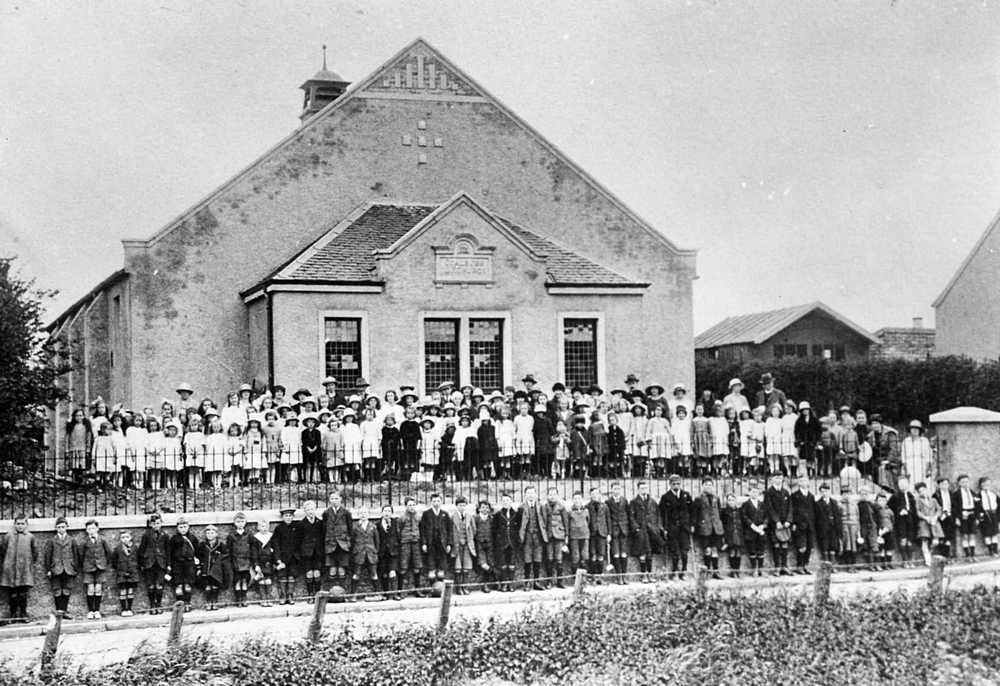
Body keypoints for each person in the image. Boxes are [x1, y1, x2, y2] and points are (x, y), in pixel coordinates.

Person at [1, 514, 37, 621]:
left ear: (26, 525)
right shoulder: (8, 536)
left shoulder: (30, 537)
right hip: (10, 570)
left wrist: (28, 564)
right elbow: (3, 551)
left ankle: (23, 613)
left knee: (23, 592)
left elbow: (35, 552)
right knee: (12, 593)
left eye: (22, 524)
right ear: (14, 524)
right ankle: (12, 614)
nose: (20, 526)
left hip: (24, 570)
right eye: (18, 524)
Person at [43, 516, 78, 617]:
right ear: (56, 528)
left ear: (67, 527)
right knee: (57, 589)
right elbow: (47, 556)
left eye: (63, 527)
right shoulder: (52, 541)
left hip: (69, 568)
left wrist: (75, 567)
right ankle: (59, 611)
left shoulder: (72, 540)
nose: (61, 529)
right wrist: (48, 569)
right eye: (59, 527)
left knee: (67, 589)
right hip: (56, 569)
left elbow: (76, 555)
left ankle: (65, 610)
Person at [630, 481, 663, 583]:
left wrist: (657, 528)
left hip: (651, 531)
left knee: (650, 553)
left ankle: (650, 573)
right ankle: (643, 574)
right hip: (641, 531)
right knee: (642, 553)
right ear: (638, 489)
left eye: (645, 488)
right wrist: (636, 528)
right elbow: (631, 517)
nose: (644, 490)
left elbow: (658, 515)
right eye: (642, 488)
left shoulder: (652, 501)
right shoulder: (634, 502)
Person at [660, 474, 693, 579]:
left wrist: (691, 525)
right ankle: (674, 571)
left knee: (684, 551)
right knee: (675, 552)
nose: (676, 486)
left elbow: (692, 512)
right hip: (672, 528)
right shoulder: (665, 497)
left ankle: (684, 571)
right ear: (670, 484)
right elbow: (662, 514)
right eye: (673, 484)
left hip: (684, 528)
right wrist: (664, 528)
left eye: (678, 483)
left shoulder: (686, 495)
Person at [79, 519, 112, 619]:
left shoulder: (102, 540)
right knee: (90, 589)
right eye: (89, 529)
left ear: (97, 529)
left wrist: (104, 564)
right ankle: (90, 611)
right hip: (88, 568)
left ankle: (97, 610)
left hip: (100, 567)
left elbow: (108, 553)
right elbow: (81, 555)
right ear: (86, 530)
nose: (91, 530)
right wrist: (84, 565)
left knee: (98, 589)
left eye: (93, 528)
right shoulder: (84, 541)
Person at [692, 479, 724, 580]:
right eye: (706, 485)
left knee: (715, 550)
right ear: (702, 486)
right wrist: (694, 526)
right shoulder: (698, 499)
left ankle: (715, 571)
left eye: (710, 485)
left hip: (716, 528)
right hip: (705, 528)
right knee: (707, 550)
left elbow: (719, 512)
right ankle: (707, 571)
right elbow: (695, 514)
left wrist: (719, 524)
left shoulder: (716, 498)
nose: (708, 487)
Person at [518, 487, 549, 590]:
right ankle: (527, 583)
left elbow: (545, 520)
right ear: (525, 495)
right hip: (527, 537)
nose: (530, 495)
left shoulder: (541, 507)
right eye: (528, 493)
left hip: (538, 537)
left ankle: (537, 582)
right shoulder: (521, 507)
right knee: (527, 560)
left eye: (532, 493)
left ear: (536, 494)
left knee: (537, 559)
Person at [138, 513, 169, 614]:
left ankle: (159, 605)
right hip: (149, 563)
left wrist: (168, 564)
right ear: (151, 524)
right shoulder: (146, 535)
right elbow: (142, 549)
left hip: (161, 563)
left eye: (158, 523)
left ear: (161, 524)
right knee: (150, 585)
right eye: (154, 523)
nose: (156, 525)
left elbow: (168, 551)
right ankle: (152, 605)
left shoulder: (165, 535)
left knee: (159, 585)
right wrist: (142, 563)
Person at [167, 517, 200, 612]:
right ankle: (180, 604)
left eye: (185, 526)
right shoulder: (174, 539)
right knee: (179, 585)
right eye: (181, 527)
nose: (183, 529)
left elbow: (197, 552)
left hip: (189, 564)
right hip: (177, 564)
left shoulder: (192, 538)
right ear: (177, 528)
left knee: (188, 585)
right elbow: (170, 552)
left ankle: (188, 603)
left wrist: (197, 563)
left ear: (188, 527)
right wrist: (169, 564)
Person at [322, 492, 352, 593]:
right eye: (332, 499)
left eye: (336, 498)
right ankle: (332, 592)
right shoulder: (326, 513)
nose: (334, 501)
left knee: (342, 569)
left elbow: (350, 529)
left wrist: (347, 542)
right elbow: (324, 530)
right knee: (332, 569)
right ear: (329, 500)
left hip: (343, 545)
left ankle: (342, 592)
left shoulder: (346, 513)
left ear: (341, 499)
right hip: (330, 544)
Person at [421, 493, 452, 587]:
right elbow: (423, 530)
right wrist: (424, 543)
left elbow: (449, 530)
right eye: (434, 501)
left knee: (441, 570)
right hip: (431, 545)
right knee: (431, 570)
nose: (436, 503)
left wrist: (449, 544)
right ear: (431, 502)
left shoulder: (445, 514)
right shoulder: (426, 514)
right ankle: (432, 589)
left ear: (441, 502)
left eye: (438, 501)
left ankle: (440, 590)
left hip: (442, 545)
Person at [296, 500, 325, 598]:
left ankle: (317, 594)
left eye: (312, 509)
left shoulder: (320, 523)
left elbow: (322, 537)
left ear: (315, 510)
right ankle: (310, 594)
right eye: (308, 510)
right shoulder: (301, 524)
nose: (310, 511)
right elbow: (298, 540)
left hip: (318, 552)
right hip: (306, 553)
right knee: (309, 573)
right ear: (305, 511)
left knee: (317, 572)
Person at [764, 475, 792, 575]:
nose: (778, 480)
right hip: (774, 524)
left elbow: (790, 508)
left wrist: (788, 520)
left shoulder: (786, 492)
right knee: (776, 544)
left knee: (785, 544)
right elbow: (769, 508)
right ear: (772, 480)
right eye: (776, 478)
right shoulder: (768, 493)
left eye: (780, 478)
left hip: (785, 524)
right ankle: (777, 567)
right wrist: (776, 521)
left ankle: (784, 566)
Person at [492, 492, 520, 592]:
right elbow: (494, 530)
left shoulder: (516, 514)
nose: (506, 503)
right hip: (501, 543)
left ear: (511, 502)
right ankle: (504, 584)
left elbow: (519, 528)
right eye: (504, 501)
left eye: (507, 501)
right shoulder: (498, 515)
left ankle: (511, 584)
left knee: (512, 564)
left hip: (512, 542)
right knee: (503, 564)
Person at [349, 508, 379, 599]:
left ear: (368, 515)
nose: (363, 515)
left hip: (371, 554)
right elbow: (352, 541)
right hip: (359, 554)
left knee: (374, 573)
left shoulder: (373, 526)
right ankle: (352, 595)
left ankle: (377, 593)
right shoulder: (354, 527)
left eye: (365, 513)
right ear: (358, 515)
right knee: (356, 574)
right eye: (361, 513)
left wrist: (375, 551)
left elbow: (377, 542)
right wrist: (355, 552)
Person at [197, 524, 228, 611]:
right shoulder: (202, 545)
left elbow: (225, 556)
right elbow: (198, 556)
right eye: (208, 533)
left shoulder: (220, 545)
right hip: (205, 568)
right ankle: (208, 602)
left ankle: (214, 602)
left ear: (216, 534)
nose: (210, 535)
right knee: (207, 586)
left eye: (212, 533)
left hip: (216, 570)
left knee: (215, 586)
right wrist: (199, 566)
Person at [889, 477, 919, 567]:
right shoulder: (895, 496)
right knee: (903, 540)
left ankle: (910, 560)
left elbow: (914, 508)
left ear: (908, 485)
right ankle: (905, 561)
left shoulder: (910, 495)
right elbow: (890, 508)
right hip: (900, 521)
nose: (902, 486)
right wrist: (899, 511)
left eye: (904, 484)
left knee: (910, 540)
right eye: (900, 484)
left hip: (910, 520)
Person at [544, 488, 570, 588]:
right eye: (550, 495)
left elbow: (566, 522)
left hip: (559, 535)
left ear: (557, 496)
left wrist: (566, 535)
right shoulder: (545, 506)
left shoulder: (561, 507)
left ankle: (560, 581)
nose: (552, 497)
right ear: (547, 496)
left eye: (554, 494)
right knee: (549, 558)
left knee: (559, 559)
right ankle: (549, 581)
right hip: (549, 536)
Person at [229, 512, 257, 607]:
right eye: (238, 521)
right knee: (237, 580)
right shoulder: (232, 535)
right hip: (236, 561)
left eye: (242, 521)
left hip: (246, 561)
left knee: (245, 580)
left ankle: (244, 598)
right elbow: (229, 549)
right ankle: (238, 599)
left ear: (245, 522)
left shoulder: (248, 535)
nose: (240, 523)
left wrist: (253, 561)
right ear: (234, 523)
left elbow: (253, 547)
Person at [397, 497, 423, 597]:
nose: (411, 507)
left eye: (413, 505)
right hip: (405, 544)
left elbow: (421, 528)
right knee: (403, 567)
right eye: (409, 505)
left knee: (417, 567)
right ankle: (400, 591)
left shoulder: (418, 517)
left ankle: (417, 590)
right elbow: (399, 531)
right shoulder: (402, 518)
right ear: (406, 506)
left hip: (416, 543)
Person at [790, 478, 817, 574]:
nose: (803, 483)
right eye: (801, 481)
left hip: (810, 525)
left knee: (810, 547)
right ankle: (799, 566)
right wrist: (793, 523)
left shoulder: (811, 496)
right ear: (798, 483)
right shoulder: (794, 496)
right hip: (799, 525)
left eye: (805, 481)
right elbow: (792, 510)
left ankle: (806, 565)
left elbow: (813, 510)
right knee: (801, 547)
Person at [741, 483, 768, 577]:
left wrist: (763, 525)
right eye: (753, 491)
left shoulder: (762, 504)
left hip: (761, 531)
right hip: (750, 531)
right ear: (749, 493)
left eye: (757, 492)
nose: (755, 493)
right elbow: (744, 517)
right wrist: (752, 526)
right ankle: (754, 569)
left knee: (761, 550)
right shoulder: (746, 504)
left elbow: (766, 517)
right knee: (752, 550)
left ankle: (760, 569)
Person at [451, 497, 477, 594]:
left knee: (466, 567)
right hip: (456, 545)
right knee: (458, 568)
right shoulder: (452, 517)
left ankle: (465, 587)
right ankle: (458, 588)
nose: (462, 507)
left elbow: (474, 530)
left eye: (463, 505)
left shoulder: (470, 517)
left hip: (467, 545)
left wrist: (468, 540)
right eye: (460, 505)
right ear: (456, 506)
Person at [605, 483, 630, 582]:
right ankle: (618, 576)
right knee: (616, 553)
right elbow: (608, 518)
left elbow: (628, 514)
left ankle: (624, 575)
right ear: (611, 490)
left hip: (623, 530)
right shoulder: (608, 502)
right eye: (615, 489)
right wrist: (609, 533)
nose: (617, 491)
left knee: (624, 553)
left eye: (618, 489)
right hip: (614, 530)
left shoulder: (624, 500)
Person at [272, 508, 298, 604]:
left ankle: (290, 595)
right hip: (282, 557)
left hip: (293, 557)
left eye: (290, 516)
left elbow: (299, 542)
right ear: (282, 517)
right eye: (286, 516)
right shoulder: (279, 529)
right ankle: (283, 595)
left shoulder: (296, 527)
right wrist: (278, 559)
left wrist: (298, 555)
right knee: (282, 576)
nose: (288, 517)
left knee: (292, 576)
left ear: (292, 517)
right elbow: (276, 544)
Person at [112, 530, 140, 617]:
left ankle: (130, 608)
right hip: (122, 572)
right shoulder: (117, 549)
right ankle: (124, 609)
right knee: (123, 590)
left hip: (132, 572)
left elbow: (138, 559)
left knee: (130, 590)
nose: (125, 539)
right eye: (123, 537)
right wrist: (120, 568)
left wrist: (134, 567)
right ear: (120, 539)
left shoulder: (135, 548)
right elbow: (114, 561)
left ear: (131, 538)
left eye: (127, 537)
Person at [376, 505, 401, 600]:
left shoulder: (395, 523)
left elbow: (399, 536)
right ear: (382, 513)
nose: (387, 513)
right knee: (384, 574)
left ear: (392, 513)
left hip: (393, 552)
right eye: (385, 511)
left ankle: (394, 594)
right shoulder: (377, 525)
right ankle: (386, 594)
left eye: (389, 511)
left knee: (393, 572)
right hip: (382, 553)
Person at [915, 481, 944, 566]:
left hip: (934, 522)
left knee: (936, 541)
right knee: (925, 541)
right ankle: (927, 559)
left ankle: (930, 553)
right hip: (924, 523)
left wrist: (935, 517)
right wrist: (925, 517)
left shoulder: (933, 500)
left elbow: (939, 509)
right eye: (920, 491)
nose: (923, 492)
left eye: (924, 490)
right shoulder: (918, 501)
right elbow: (918, 512)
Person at [586, 487, 611, 582]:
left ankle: (600, 576)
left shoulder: (604, 507)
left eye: (596, 494)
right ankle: (593, 577)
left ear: (600, 495)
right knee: (593, 555)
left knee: (601, 555)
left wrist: (609, 534)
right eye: (593, 494)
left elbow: (608, 520)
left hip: (602, 533)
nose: (595, 496)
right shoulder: (587, 507)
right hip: (592, 534)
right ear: (590, 496)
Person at [953, 474, 979, 560]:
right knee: (964, 535)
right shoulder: (956, 494)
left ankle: (972, 554)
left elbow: (978, 505)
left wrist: (977, 517)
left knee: (972, 534)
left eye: (967, 482)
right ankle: (967, 555)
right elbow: (955, 507)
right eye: (963, 482)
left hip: (972, 515)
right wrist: (957, 517)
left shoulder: (972, 493)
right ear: (959, 483)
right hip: (963, 516)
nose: (965, 484)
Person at [814, 483, 842, 563]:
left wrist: (838, 527)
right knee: (824, 545)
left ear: (829, 491)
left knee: (833, 545)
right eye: (822, 492)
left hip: (833, 527)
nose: (824, 493)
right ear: (820, 493)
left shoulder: (834, 502)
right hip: (823, 528)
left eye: (826, 491)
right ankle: (826, 563)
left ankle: (833, 563)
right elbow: (817, 517)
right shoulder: (818, 503)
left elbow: (837, 516)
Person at [254, 517, 278, 607]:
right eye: (262, 526)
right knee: (261, 580)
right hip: (260, 562)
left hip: (269, 562)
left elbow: (275, 548)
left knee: (268, 580)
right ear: (258, 527)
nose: (264, 528)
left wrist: (275, 561)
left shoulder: (271, 536)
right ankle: (263, 598)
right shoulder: (256, 538)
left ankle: (269, 598)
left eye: (266, 526)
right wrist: (256, 564)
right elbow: (254, 552)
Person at [794, 402, 821, 478]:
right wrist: (799, 440)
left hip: (812, 441)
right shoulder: (799, 420)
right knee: (804, 457)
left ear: (809, 410)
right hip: (803, 441)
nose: (805, 411)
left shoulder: (814, 419)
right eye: (803, 410)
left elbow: (819, 430)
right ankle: (807, 472)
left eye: (806, 410)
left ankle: (813, 472)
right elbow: (796, 431)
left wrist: (816, 440)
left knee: (812, 457)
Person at [473, 500, 495, 593]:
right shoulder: (476, 519)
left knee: (491, 563)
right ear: (478, 509)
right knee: (483, 565)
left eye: (486, 507)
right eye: (482, 507)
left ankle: (490, 583)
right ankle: (484, 584)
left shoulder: (491, 519)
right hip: (479, 545)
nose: (484, 509)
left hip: (490, 545)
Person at [720, 492, 744, 577]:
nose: (731, 502)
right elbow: (722, 523)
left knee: (738, 552)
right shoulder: (724, 511)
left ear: (735, 501)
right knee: (732, 552)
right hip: (729, 534)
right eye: (729, 500)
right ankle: (733, 571)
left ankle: (738, 570)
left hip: (738, 533)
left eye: (732, 500)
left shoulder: (739, 511)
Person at [858, 487, 880, 571]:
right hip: (863, 526)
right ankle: (870, 565)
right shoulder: (859, 505)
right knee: (866, 545)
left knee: (874, 545)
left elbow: (877, 516)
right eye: (862, 494)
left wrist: (877, 526)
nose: (864, 496)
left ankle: (877, 564)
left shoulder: (872, 505)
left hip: (873, 526)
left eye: (866, 494)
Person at [934, 477, 955, 559]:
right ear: (939, 485)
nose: (945, 486)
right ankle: (942, 554)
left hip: (950, 516)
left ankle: (948, 554)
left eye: (946, 484)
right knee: (942, 536)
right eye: (942, 484)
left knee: (949, 536)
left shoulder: (951, 494)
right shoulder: (936, 495)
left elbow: (954, 505)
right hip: (941, 517)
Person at [978, 477, 999, 557]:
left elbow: (998, 505)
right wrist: (980, 517)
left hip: (993, 514)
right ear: (981, 485)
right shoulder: (979, 495)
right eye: (984, 484)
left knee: (994, 533)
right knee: (987, 534)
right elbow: (978, 506)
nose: (986, 485)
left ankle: (995, 550)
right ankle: (990, 551)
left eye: (988, 484)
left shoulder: (993, 494)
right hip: (985, 515)